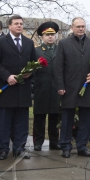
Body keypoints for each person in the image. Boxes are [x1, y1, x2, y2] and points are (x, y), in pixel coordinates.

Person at [0, 15, 37, 160]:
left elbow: (34, 63)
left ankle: (19, 148)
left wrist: (30, 72)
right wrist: (7, 76)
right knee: (4, 121)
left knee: (22, 121)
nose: (19, 26)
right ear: (9, 26)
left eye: (21, 24)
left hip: (23, 88)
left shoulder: (29, 43)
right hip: (6, 87)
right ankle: (3, 148)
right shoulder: (0, 42)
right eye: (16, 24)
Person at [55, 18, 90, 159]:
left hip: (88, 85)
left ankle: (82, 146)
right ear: (72, 27)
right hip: (70, 86)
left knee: (86, 118)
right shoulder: (63, 43)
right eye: (78, 26)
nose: (81, 29)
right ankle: (66, 146)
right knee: (67, 118)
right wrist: (60, 86)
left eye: (83, 26)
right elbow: (58, 66)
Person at [32, 22, 62, 152]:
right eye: (47, 35)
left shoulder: (60, 50)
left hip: (56, 88)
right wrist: (32, 88)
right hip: (41, 88)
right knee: (39, 117)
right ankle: (38, 142)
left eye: (52, 35)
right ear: (42, 37)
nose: (50, 37)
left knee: (55, 117)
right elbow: (32, 70)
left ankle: (54, 141)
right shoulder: (36, 51)